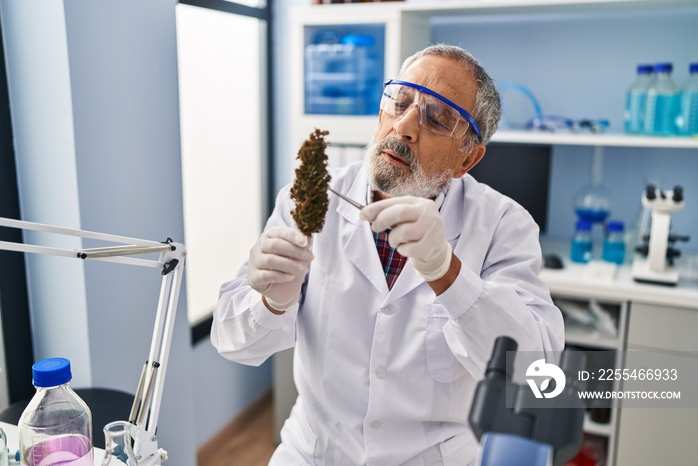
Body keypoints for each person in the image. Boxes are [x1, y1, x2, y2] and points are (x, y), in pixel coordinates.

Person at [212, 43, 564, 465]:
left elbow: (534, 369)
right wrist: (271, 300)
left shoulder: (503, 225)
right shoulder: (307, 200)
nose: (405, 126)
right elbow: (232, 342)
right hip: (316, 453)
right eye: (399, 102)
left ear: (467, 158)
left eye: (438, 118)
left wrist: (448, 274)